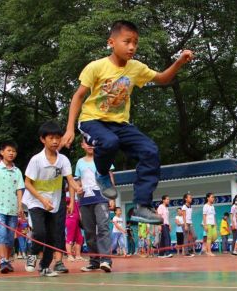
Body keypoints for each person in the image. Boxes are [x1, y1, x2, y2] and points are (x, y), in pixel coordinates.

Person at [60, 20, 193, 225]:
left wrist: (179, 62)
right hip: (92, 120)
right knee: (109, 142)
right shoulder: (96, 67)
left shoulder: (136, 68)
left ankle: (142, 206)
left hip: (120, 123)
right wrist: (69, 128)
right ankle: (102, 174)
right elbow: (78, 96)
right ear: (111, 42)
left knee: (150, 151)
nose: (132, 47)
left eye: (135, 43)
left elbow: (162, 79)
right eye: (127, 42)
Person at [23, 121, 82, 277]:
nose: (55, 141)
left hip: (54, 202)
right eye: (51, 138)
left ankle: (44, 267)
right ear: (43, 139)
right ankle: (32, 253)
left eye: (58, 138)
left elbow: (70, 179)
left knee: (52, 236)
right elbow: (27, 183)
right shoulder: (36, 160)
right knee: (40, 232)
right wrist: (42, 200)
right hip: (36, 201)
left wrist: (76, 188)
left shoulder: (63, 160)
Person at [74, 138, 115, 271]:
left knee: (103, 227)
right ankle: (94, 261)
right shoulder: (79, 162)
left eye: (92, 143)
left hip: (101, 198)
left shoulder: (104, 158)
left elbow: (110, 177)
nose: (90, 146)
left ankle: (106, 260)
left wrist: (112, 197)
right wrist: (77, 190)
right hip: (85, 200)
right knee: (89, 231)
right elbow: (78, 181)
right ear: (82, 145)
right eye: (87, 143)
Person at [0, 140, 25, 273]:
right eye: (9, 150)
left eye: (13, 151)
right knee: (0, 233)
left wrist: (20, 206)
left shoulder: (17, 171)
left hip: (12, 208)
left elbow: (19, 190)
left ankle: (7, 260)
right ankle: (2, 260)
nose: (11, 153)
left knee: (9, 236)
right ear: (2, 152)